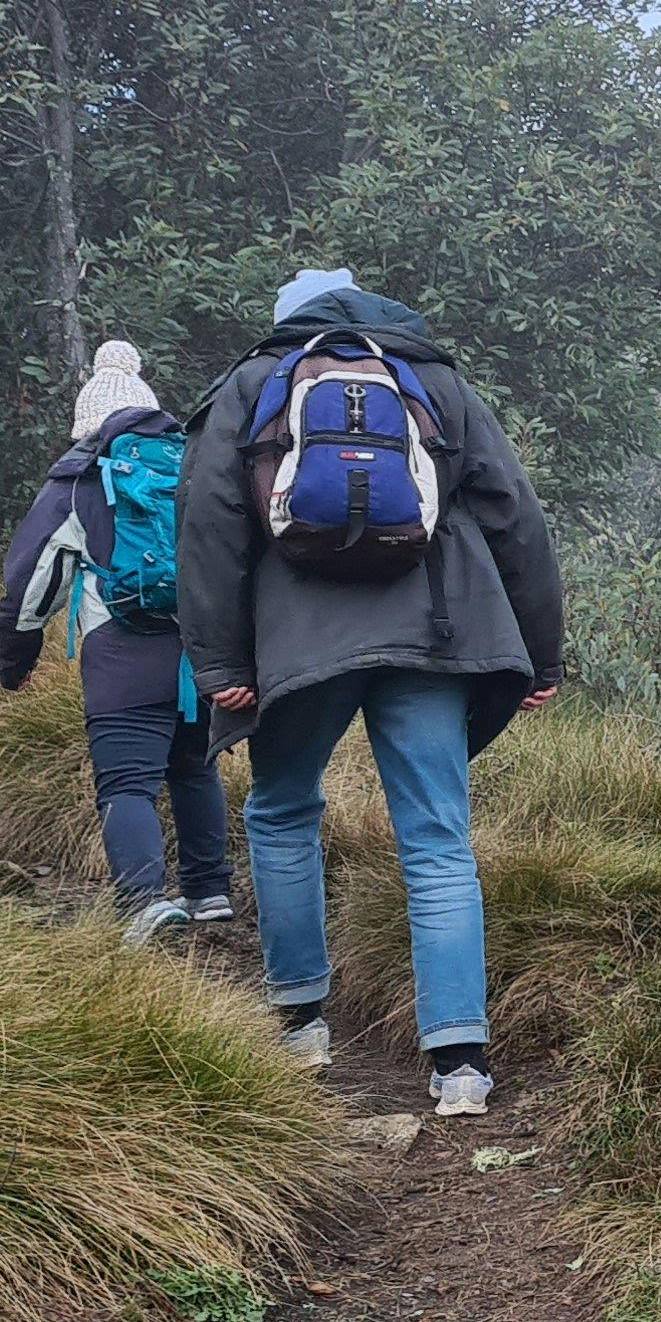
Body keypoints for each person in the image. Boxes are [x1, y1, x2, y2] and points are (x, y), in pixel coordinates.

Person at [179, 270, 564, 1115]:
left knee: (282, 811)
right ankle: (460, 1065)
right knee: (436, 840)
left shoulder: (252, 384)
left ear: (287, 321)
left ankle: (299, 1025)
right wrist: (540, 655)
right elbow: (516, 517)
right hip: (434, 635)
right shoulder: (436, 381)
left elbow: (209, 525)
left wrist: (220, 666)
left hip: (297, 643)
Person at [0, 341, 232, 946]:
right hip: (201, 652)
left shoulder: (77, 480)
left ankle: (143, 901)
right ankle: (210, 892)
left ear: (86, 424)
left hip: (122, 652)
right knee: (194, 767)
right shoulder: (195, 466)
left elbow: (32, 580)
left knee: (127, 782)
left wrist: (16, 658)